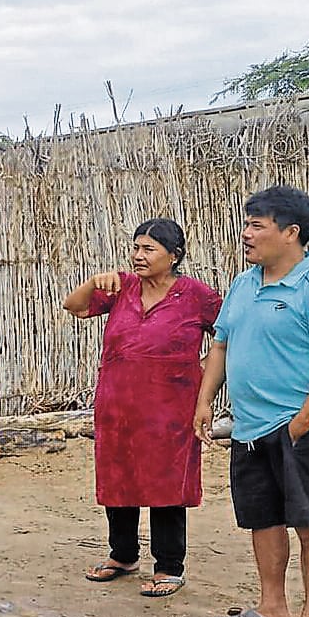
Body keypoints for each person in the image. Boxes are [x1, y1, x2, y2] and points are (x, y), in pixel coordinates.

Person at [196, 186, 309, 617]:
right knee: (264, 520)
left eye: (257, 225)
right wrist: (205, 399)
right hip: (250, 426)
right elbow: (222, 345)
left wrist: (302, 424)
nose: (245, 234)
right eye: (246, 223)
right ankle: (274, 608)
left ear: (291, 233)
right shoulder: (244, 282)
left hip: (303, 429)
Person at [64, 219, 221, 597]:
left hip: (171, 407)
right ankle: (122, 555)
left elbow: (227, 339)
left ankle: (169, 566)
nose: (138, 255)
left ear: (175, 256)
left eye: (148, 249)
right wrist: (94, 281)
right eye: (136, 247)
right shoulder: (122, 287)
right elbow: (74, 305)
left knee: (166, 482)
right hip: (118, 403)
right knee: (119, 475)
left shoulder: (197, 296)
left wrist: (201, 383)